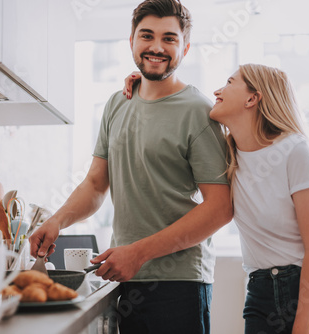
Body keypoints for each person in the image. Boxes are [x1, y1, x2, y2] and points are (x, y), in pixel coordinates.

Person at [29, 0, 233, 333]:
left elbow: (221, 208)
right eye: (147, 35)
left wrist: (137, 253)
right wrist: (56, 221)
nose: (156, 47)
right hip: (123, 277)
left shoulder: (199, 111)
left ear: (186, 47)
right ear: (131, 41)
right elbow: (96, 185)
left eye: (169, 38)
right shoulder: (116, 103)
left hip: (177, 284)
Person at [124, 63, 309, 333]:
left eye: (229, 82)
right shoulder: (229, 156)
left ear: (252, 98)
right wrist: (149, 83)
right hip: (261, 289)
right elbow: (177, 112)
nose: (217, 90)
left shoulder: (294, 151)